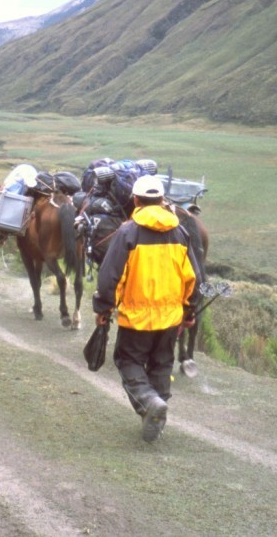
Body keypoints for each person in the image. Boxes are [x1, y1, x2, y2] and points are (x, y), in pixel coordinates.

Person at [92, 174, 202, 442]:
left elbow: (110, 275)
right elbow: (193, 278)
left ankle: (148, 401)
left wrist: (103, 307)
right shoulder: (181, 231)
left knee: (127, 360)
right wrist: (189, 312)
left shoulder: (128, 232)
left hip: (137, 317)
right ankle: (157, 413)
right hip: (170, 318)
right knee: (161, 364)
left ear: (136, 200)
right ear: (162, 200)